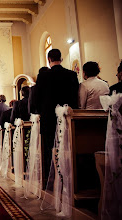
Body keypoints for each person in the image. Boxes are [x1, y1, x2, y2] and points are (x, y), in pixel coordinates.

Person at [35, 49, 79, 181]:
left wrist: (41, 112)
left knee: (50, 148)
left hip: (49, 119)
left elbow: (37, 98)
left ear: (49, 60)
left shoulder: (43, 76)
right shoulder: (71, 74)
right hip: (68, 118)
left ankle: (52, 177)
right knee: (68, 146)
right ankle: (70, 177)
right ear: (61, 59)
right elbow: (75, 96)